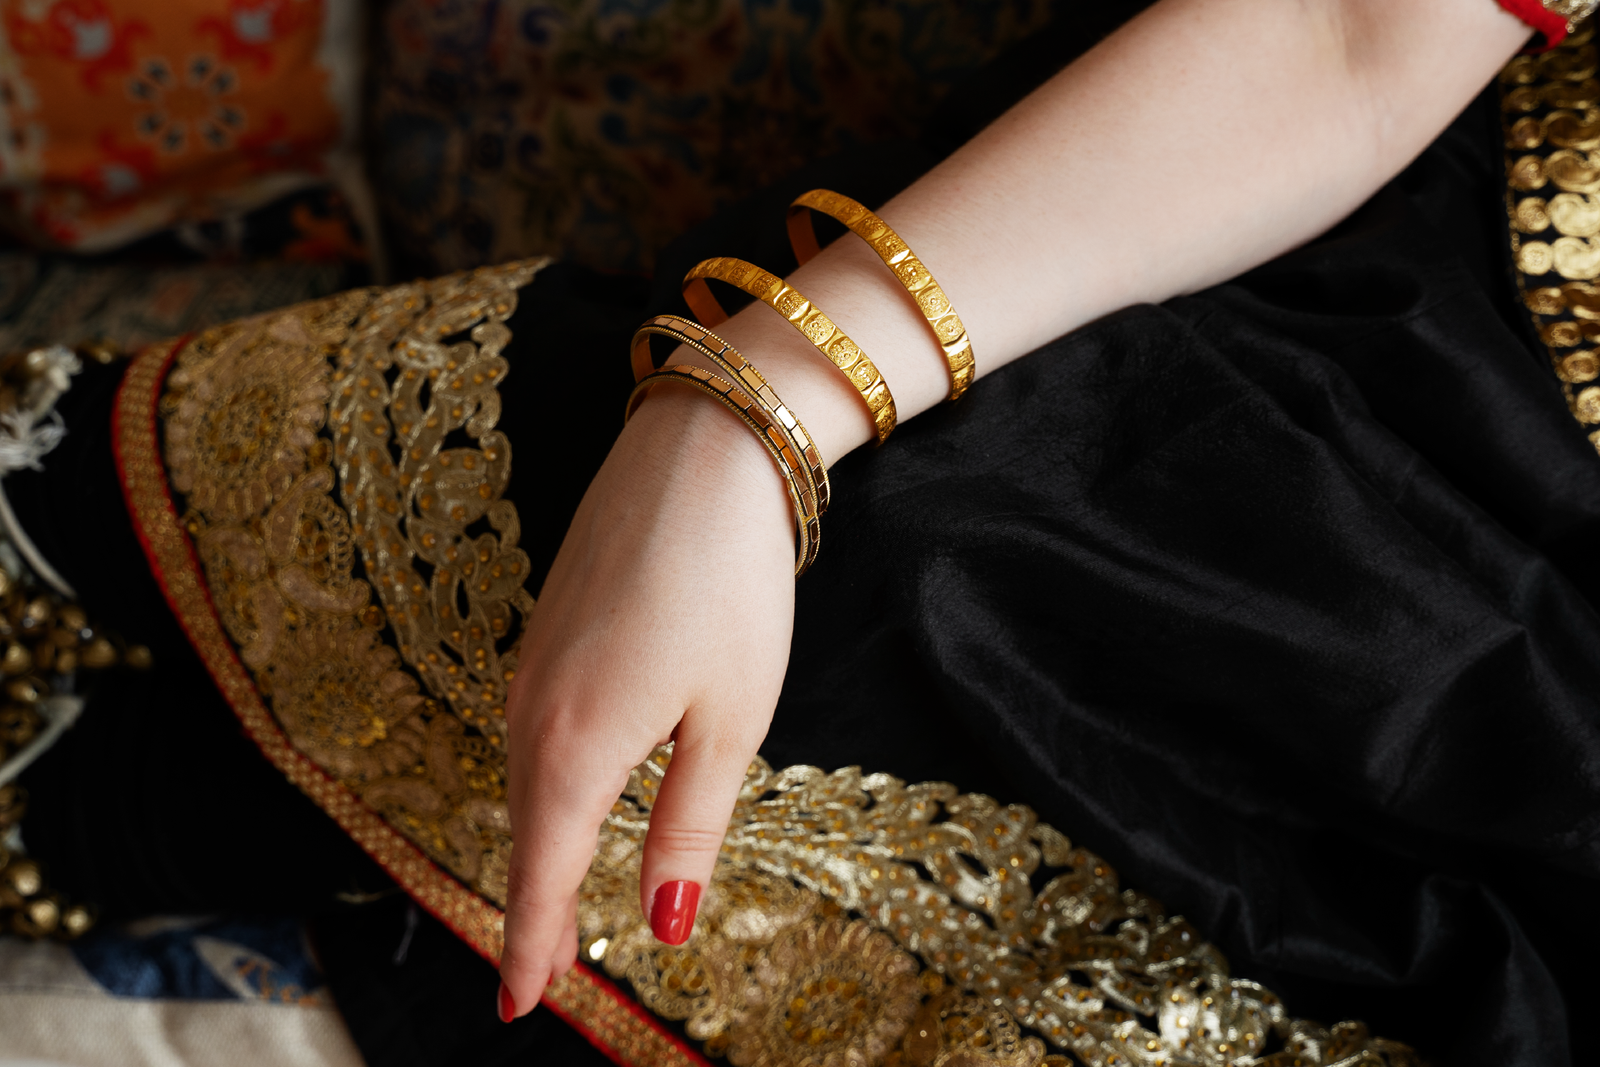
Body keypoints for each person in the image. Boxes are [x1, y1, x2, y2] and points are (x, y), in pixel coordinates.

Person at [6, 0, 1599, 1065]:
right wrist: (749, 416)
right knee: (922, 545)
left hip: (1507, 816)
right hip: (1275, 325)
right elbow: (1350, 39)